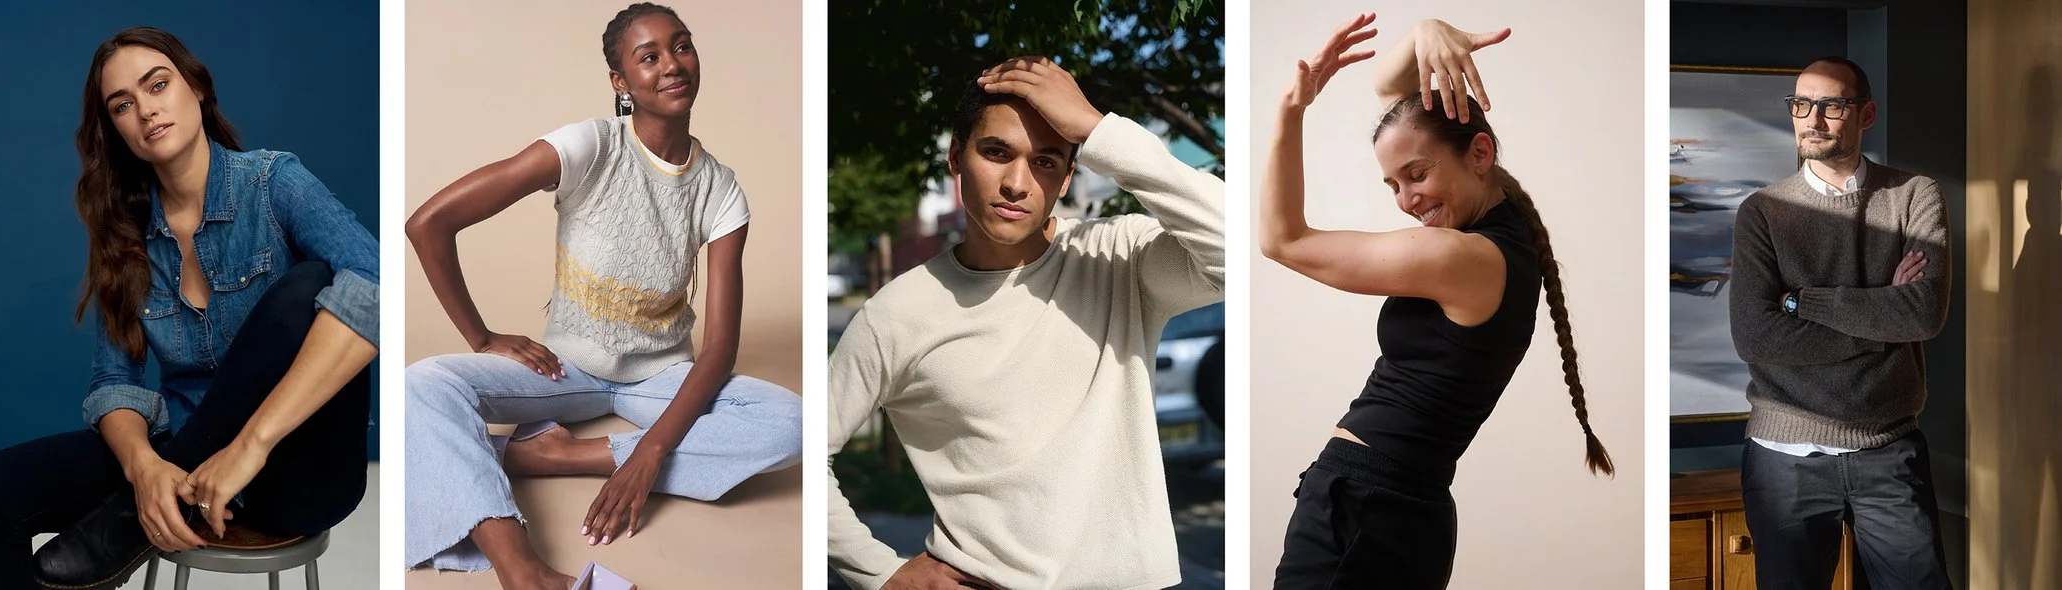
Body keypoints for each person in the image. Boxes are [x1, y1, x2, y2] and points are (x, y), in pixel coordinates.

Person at [402, 4, 803, 589]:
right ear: (622, 82)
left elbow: (719, 347)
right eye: (649, 57)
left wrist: (644, 456)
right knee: (423, 385)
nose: (673, 65)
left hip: (663, 379)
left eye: (682, 46)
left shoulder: (720, 189)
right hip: (564, 371)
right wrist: (483, 339)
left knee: (790, 425)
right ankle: (526, 573)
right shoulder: (587, 146)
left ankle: (554, 457)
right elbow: (428, 224)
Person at [0, 27, 381, 589]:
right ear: (115, 129)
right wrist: (144, 471)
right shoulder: (125, 234)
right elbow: (112, 380)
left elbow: (376, 283)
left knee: (309, 284)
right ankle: (144, 503)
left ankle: (123, 527)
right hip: (181, 458)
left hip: (293, 467)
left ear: (196, 87)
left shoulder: (271, 182)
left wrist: (250, 446)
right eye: (123, 104)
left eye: (157, 85)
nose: (145, 111)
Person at [825, 56, 1226, 589]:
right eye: (997, 153)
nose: (1017, 182)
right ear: (955, 158)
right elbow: (806, 451)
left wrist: (1097, 129)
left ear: (1065, 180)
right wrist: (881, 573)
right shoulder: (896, 313)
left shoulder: (1118, 259)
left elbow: (1238, 247)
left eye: (1046, 161)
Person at [1261, 14, 1614, 588]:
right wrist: (1427, 30)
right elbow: (1390, 92)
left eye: (1416, 174)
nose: (1405, 200)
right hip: (1395, 509)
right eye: (1392, 184)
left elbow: (1283, 240)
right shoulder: (1504, 245)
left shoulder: (1461, 259)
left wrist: (1289, 110)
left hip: (1365, 509)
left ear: (1479, 153)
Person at [1727, 56, 1952, 590]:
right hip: (1785, 460)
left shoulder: (1914, 195)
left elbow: (1922, 313)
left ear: (1866, 113)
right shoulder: (1762, 212)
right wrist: (1881, 321)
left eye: (1832, 105)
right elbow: (1755, 336)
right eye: (1802, 105)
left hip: (1888, 448)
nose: (1814, 119)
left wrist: (1802, 301)